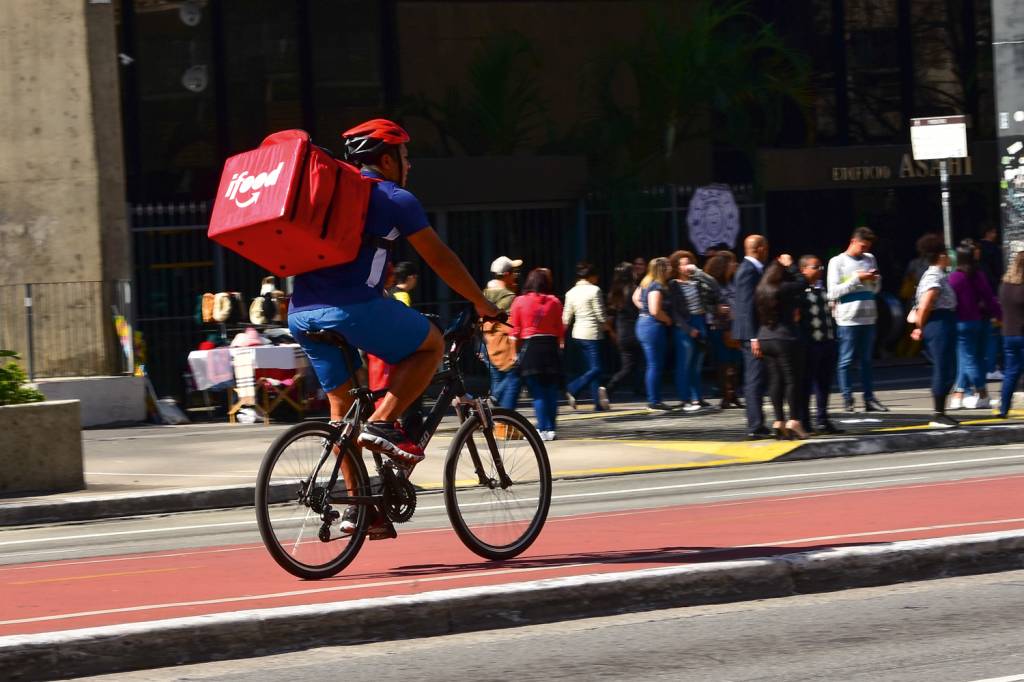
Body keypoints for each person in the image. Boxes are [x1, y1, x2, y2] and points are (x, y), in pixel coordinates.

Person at [288, 118, 499, 536]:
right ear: (386, 160)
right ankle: (384, 422)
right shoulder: (393, 197)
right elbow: (439, 258)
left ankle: (362, 511)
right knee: (430, 345)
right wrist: (481, 302)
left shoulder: (331, 197)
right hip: (349, 308)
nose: (409, 164)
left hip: (301, 313)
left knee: (341, 415)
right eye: (405, 155)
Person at [828, 226, 888, 413]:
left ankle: (869, 398)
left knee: (867, 361)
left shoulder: (870, 258)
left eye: (868, 247)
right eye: (862, 246)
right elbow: (832, 292)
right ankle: (848, 399)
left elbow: (875, 289)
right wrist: (857, 278)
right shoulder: (837, 261)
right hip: (848, 319)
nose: (865, 250)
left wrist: (875, 280)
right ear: (853, 241)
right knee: (846, 360)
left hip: (869, 317)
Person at [754, 257, 809, 439]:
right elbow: (803, 282)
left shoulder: (761, 289)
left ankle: (779, 421)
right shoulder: (784, 288)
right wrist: (791, 266)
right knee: (792, 380)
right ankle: (794, 420)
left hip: (765, 337)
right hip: (785, 338)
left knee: (775, 380)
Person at [909, 234, 958, 428]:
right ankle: (938, 414)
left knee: (949, 367)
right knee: (943, 367)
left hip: (945, 321)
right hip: (938, 323)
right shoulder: (933, 276)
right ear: (941, 256)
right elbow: (926, 304)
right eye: (947, 254)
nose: (949, 258)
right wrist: (919, 327)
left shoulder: (939, 275)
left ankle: (941, 412)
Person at [509, 268, 565, 441]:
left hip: (531, 348)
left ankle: (542, 428)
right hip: (550, 347)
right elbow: (560, 330)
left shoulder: (519, 301)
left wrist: (514, 354)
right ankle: (551, 429)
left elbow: (514, 333)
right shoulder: (554, 301)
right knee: (551, 391)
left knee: (538, 392)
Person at [948, 240, 1001, 410]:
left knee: (967, 360)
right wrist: (1000, 315)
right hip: (977, 321)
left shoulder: (955, 277)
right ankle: (962, 394)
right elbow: (989, 298)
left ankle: (980, 393)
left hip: (960, 323)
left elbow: (949, 300)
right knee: (974, 359)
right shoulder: (978, 275)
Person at [797, 254, 841, 434]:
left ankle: (822, 419)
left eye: (821, 267)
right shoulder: (800, 290)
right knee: (806, 383)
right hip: (810, 343)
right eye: (815, 267)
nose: (820, 271)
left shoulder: (822, 288)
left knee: (824, 383)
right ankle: (804, 421)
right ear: (803, 270)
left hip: (827, 341)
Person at [732, 234, 770, 439]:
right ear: (760, 248)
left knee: (759, 378)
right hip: (751, 335)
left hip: (754, 333)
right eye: (766, 247)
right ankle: (755, 426)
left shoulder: (755, 269)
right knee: (754, 379)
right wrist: (754, 337)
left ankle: (758, 423)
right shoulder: (747, 270)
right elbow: (746, 307)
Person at [667, 251, 710, 411]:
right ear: (677, 267)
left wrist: (699, 272)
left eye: (689, 263)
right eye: (684, 264)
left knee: (697, 363)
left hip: (700, 320)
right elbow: (674, 311)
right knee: (684, 363)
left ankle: (697, 397)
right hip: (685, 323)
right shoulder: (673, 284)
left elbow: (713, 286)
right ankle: (684, 397)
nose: (687, 266)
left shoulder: (697, 281)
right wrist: (688, 328)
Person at [563, 261, 610, 411]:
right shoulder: (595, 290)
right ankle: (573, 388)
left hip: (577, 334)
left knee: (591, 369)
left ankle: (598, 404)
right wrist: (609, 328)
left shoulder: (570, 292)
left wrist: (561, 336)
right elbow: (601, 316)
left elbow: (566, 317)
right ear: (592, 276)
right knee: (596, 368)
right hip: (592, 334)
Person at [481, 255, 522, 411]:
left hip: (487, 343)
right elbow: (511, 325)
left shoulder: (484, 294)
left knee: (497, 380)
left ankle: (494, 416)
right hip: (504, 345)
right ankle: (499, 410)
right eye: (513, 272)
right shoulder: (510, 297)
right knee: (512, 379)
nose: (516, 275)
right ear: (506, 274)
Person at [633, 257, 673, 411]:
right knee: (654, 364)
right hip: (652, 326)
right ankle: (654, 401)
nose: (671, 268)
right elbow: (655, 310)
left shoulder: (646, 282)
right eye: (668, 266)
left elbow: (635, 298)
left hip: (644, 323)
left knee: (652, 364)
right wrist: (667, 319)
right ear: (661, 269)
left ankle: (654, 399)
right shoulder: (656, 285)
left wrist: (643, 310)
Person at [705, 252, 743, 409]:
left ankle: (733, 393)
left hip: (735, 326)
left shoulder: (733, 282)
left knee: (735, 362)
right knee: (724, 362)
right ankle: (726, 394)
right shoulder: (713, 284)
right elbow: (705, 304)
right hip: (719, 327)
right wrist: (717, 309)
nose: (735, 265)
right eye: (732, 263)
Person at [605, 262, 644, 399]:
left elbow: (610, 315)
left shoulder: (614, 292)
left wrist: (612, 332)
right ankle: (610, 387)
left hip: (621, 332)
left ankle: (636, 388)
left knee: (629, 365)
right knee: (639, 364)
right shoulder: (635, 290)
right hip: (635, 330)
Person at [998, 251, 1024, 417]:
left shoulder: (1004, 287)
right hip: (1022, 333)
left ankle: (1004, 408)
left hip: (1008, 334)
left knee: (1010, 372)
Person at [979, 225, 1005, 380]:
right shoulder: (994, 250)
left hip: (979, 300)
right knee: (994, 333)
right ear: (989, 232)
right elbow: (998, 271)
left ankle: (986, 366)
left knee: (984, 334)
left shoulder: (977, 250)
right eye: (994, 232)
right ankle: (992, 367)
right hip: (993, 295)